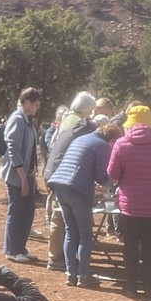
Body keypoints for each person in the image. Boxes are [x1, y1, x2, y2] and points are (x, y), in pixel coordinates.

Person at [107, 105, 151, 298]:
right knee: (149, 244)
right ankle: (148, 285)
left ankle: (130, 285)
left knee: (130, 244)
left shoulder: (121, 144)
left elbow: (112, 173)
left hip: (129, 205)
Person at [47, 123, 123, 287]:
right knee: (85, 234)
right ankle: (83, 276)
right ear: (112, 139)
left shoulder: (83, 139)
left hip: (60, 186)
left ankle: (70, 274)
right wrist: (115, 183)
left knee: (70, 231)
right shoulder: (102, 145)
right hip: (77, 189)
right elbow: (102, 176)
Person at [42, 91, 98, 271]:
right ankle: (56, 257)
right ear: (88, 109)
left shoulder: (68, 118)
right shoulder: (78, 123)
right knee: (60, 217)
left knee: (62, 216)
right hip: (62, 173)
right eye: (92, 109)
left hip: (55, 169)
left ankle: (62, 256)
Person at [1, 87, 42, 264]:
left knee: (27, 211)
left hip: (27, 173)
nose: (37, 106)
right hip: (17, 175)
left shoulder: (27, 120)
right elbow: (13, 149)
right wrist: (23, 178)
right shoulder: (17, 119)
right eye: (35, 103)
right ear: (26, 102)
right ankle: (11, 250)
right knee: (16, 211)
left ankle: (21, 248)